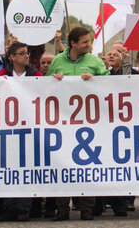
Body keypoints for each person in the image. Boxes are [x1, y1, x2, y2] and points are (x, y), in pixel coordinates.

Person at [47, 27, 110, 221]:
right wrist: (53, 79)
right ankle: (62, 209)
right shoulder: (57, 61)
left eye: (88, 41)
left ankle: (87, 210)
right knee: (61, 165)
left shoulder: (95, 62)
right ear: (72, 43)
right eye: (84, 42)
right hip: (62, 124)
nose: (88, 44)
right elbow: (42, 88)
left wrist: (95, 80)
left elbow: (112, 84)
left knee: (87, 165)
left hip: (89, 123)